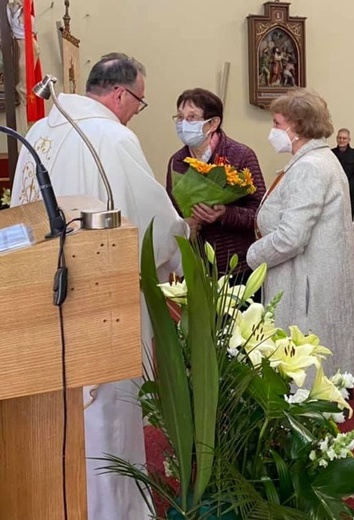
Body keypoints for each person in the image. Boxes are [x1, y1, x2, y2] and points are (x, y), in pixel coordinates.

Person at [11, 52, 188, 519]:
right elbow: (151, 222)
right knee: (104, 415)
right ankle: (113, 511)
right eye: (140, 103)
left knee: (54, 417)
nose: (135, 111)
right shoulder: (111, 136)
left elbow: (18, 216)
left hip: (39, 301)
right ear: (120, 94)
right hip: (100, 305)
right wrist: (179, 246)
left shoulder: (39, 131)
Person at [246, 88, 354, 387]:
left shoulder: (310, 166)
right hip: (309, 279)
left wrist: (253, 255)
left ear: (295, 127)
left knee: (302, 377)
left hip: (305, 287)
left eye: (276, 123)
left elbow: (290, 237)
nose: (272, 131)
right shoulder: (317, 160)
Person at [166, 88, 266, 284]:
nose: (184, 124)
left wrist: (224, 214)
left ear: (213, 123)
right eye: (179, 117)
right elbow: (171, 210)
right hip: (195, 264)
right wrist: (185, 223)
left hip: (237, 266)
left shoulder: (240, 155)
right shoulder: (176, 161)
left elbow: (260, 214)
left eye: (192, 118)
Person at [332, 128, 354, 218]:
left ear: (349, 140)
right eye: (339, 138)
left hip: (351, 194)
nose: (341, 140)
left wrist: (345, 188)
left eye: (344, 138)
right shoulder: (331, 153)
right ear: (337, 138)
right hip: (334, 194)